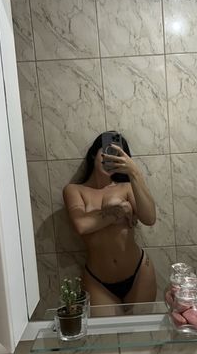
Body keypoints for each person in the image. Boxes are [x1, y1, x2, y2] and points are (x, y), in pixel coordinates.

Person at [63, 132, 157, 309]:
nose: (111, 159)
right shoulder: (74, 190)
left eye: (117, 155)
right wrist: (119, 212)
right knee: (104, 329)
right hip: (97, 281)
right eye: (107, 153)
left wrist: (134, 172)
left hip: (139, 273)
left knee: (142, 326)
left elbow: (150, 218)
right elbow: (81, 225)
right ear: (94, 154)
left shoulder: (126, 187)